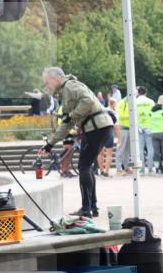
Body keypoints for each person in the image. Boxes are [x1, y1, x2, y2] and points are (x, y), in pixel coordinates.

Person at [39, 67, 114, 217]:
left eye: (48, 82)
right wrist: (50, 144)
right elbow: (67, 123)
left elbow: (88, 100)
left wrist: (72, 115)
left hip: (96, 127)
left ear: (56, 78)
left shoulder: (70, 86)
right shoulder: (66, 90)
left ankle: (86, 209)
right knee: (87, 167)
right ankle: (92, 207)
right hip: (98, 127)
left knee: (84, 166)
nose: (48, 86)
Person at [135, 86, 156, 175]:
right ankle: (150, 169)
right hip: (149, 126)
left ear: (138, 93)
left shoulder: (135, 102)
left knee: (140, 150)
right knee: (150, 148)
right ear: (145, 93)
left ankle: (142, 169)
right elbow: (154, 114)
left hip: (139, 127)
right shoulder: (151, 102)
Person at [98, 97, 119, 177]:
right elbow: (116, 126)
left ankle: (101, 170)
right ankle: (106, 172)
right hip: (109, 133)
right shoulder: (112, 112)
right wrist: (119, 137)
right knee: (109, 154)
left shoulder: (99, 112)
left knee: (100, 154)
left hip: (99, 134)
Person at [115, 94, 133, 176]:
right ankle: (119, 169)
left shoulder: (132, 102)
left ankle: (126, 167)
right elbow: (121, 115)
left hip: (131, 129)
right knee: (121, 149)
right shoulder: (122, 102)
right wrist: (132, 115)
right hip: (123, 129)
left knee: (127, 150)